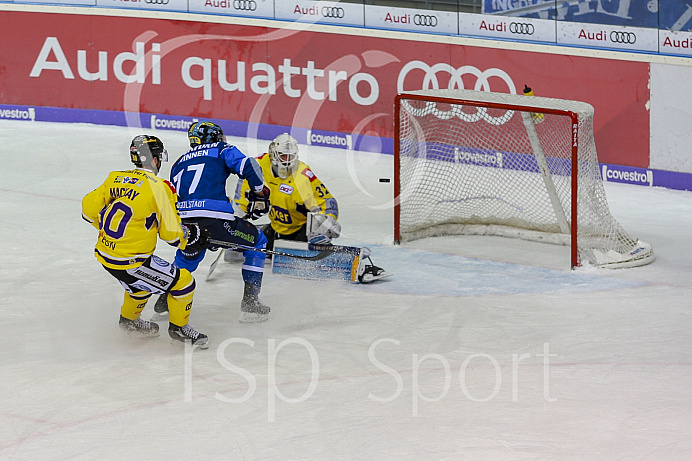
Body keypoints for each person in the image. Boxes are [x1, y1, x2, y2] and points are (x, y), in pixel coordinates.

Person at [81, 135, 209, 348]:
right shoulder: (160, 187)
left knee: (140, 286)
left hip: (105, 254)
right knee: (183, 282)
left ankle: (129, 322)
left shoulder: (115, 178)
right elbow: (172, 235)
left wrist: (111, 232)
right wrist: (193, 235)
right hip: (131, 261)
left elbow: (88, 210)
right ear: (155, 159)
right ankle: (179, 331)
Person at [153, 121, 272, 324]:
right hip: (216, 222)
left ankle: (164, 299)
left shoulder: (178, 162)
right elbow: (249, 165)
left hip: (186, 224)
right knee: (258, 241)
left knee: (186, 260)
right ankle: (250, 301)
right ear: (214, 137)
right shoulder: (220, 150)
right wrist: (260, 193)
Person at [233, 133, 386, 281]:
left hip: (303, 232)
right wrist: (237, 219)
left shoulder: (303, 176)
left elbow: (329, 203)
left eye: (291, 156)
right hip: (276, 229)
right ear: (273, 154)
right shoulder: (258, 165)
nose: (287, 161)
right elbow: (241, 195)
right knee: (234, 248)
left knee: (317, 227)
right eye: (283, 156)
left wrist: (324, 226)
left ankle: (338, 257)